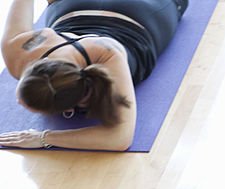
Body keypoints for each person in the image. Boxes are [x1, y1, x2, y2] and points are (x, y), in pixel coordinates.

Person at [0, 0, 189, 151]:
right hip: (75, 7)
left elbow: (120, 138)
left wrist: (43, 137)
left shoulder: (106, 54)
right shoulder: (18, 52)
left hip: (144, 11)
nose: (17, 101)